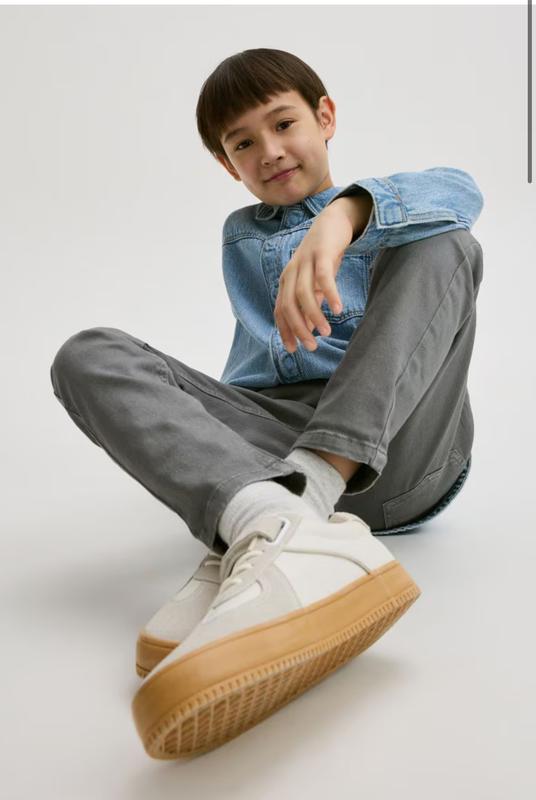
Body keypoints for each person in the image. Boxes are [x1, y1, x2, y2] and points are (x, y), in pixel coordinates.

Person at [50, 48, 484, 759]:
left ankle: (296, 503)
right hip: (277, 441)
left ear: (325, 117)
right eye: (243, 144)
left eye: (284, 124)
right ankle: (269, 520)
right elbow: (251, 383)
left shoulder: (391, 212)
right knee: (86, 352)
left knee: (447, 244)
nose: (270, 151)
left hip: (402, 453)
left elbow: (462, 190)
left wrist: (345, 216)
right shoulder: (241, 235)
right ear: (228, 166)